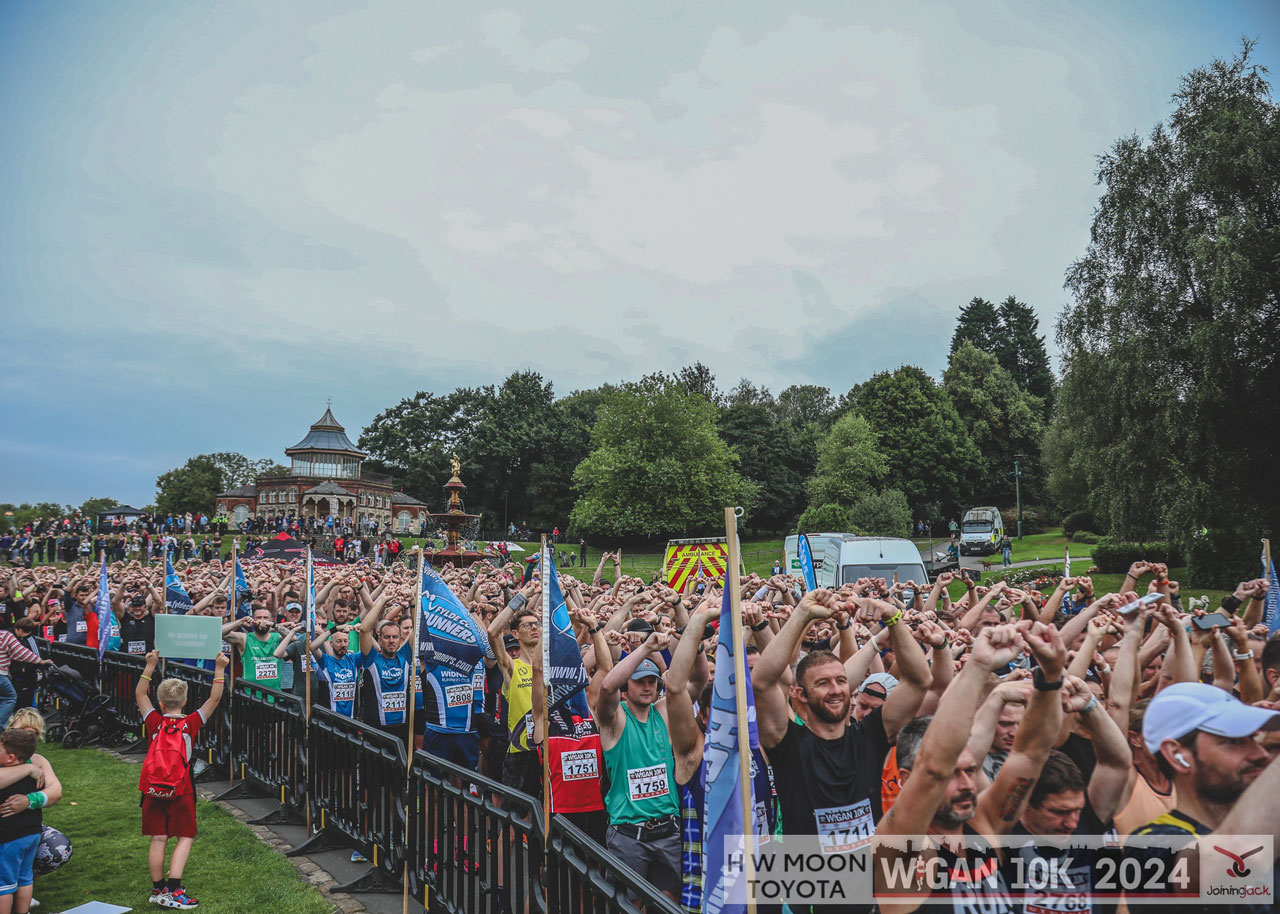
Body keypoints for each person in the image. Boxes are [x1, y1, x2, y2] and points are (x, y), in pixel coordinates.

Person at [135, 649, 229, 909]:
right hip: (182, 788)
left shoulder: (154, 721)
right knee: (185, 836)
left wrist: (150, 666)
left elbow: (140, 694)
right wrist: (219, 668)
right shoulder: (191, 723)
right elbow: (215, 698)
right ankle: (175, 891)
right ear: (185, 702)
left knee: (158, 837)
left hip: (153, 787)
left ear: (161, 704)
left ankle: (158, 889)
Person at [596, 631, 683, 902]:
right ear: (627, 688)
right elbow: (608, 687)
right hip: (629, 835)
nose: (647, 687)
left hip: (669, 831)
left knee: (668, 903)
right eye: (640, 682)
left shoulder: (663, 713)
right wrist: (645, 648)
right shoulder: (616, 719)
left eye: (652, 682)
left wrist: (660, 653)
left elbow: (690, 680)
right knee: (628, 905)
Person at [0, 728, 61, 914]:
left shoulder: (8, 775)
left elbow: (56, 793)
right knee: (25, 877)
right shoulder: (34, 773)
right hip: (32, 834)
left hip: (9, 838)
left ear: (10, 758)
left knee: (4, 883)